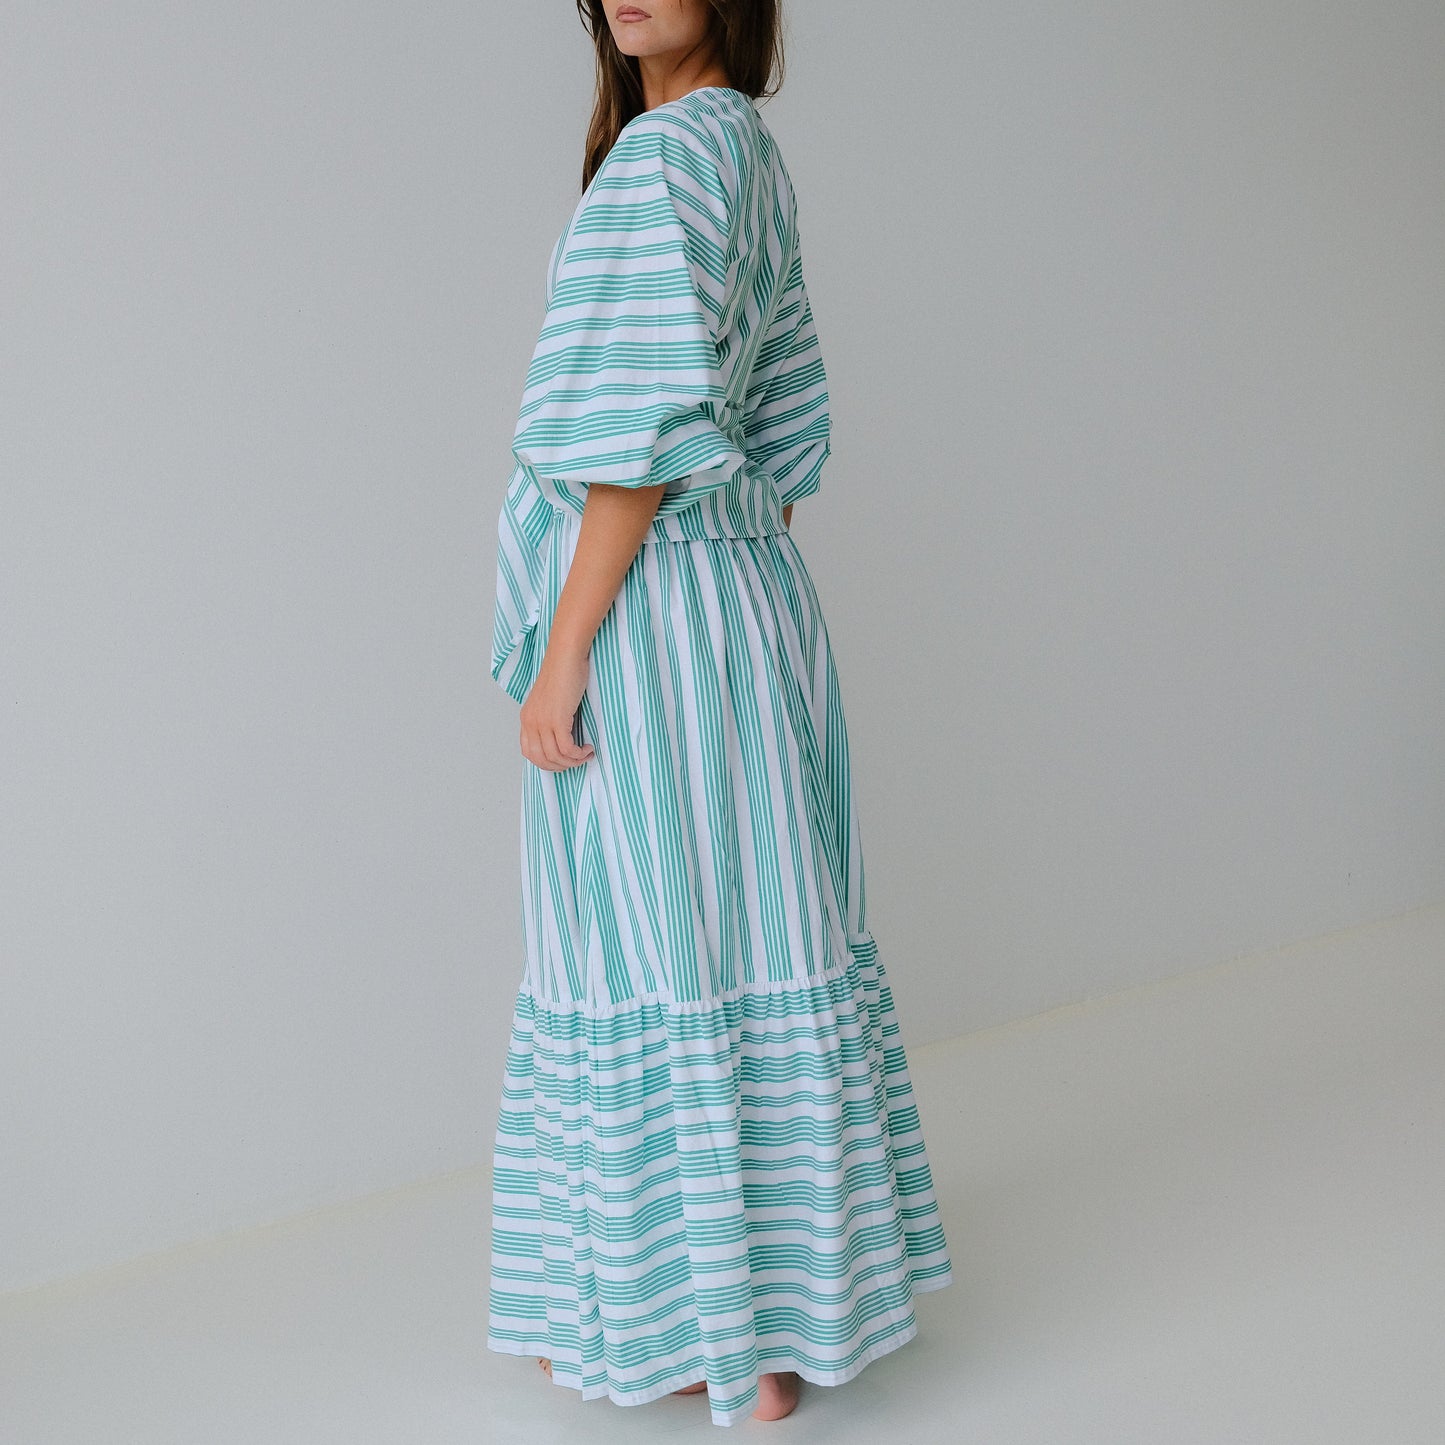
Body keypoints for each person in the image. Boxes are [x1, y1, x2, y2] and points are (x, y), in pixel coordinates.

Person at [485, 0, 953, 1427]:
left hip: (655, 619)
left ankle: (707, 1334)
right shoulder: (744, 152)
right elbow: (782, 439)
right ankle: (765, 1327)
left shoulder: (658, 161)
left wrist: (565, 648)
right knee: (748, 929)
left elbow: (628, 441)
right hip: (750, 606)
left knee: (658, 946)